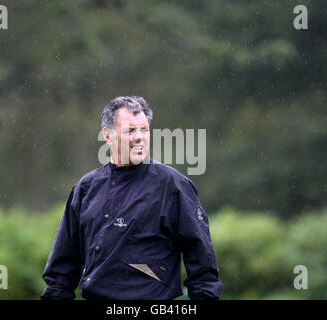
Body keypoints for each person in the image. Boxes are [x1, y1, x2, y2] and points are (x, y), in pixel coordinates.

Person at [41, 96, 222, 300]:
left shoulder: (173, 186)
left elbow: (204, 272)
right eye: (130, 131)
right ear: (107, 136)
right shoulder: (85, 188)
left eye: (144, 130)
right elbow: (61, 273)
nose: (139, 137)